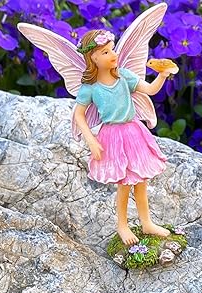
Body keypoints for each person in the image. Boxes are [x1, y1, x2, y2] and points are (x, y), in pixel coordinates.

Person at [73, 29, 170, 245]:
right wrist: (91, 139)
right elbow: (79, 115)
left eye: (113, 50)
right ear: (93, 58)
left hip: (134, 132)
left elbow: (150, 89)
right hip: (112, 136)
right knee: (124, 184)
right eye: (106, 52)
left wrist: (162, 75)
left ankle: (146, 222)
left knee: (141, 181)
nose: (113, 55)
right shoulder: (90, 87)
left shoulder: (124, 76)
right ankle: (122, 226)